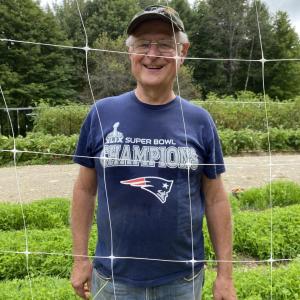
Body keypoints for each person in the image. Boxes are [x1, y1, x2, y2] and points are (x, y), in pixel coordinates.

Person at [71, 5, 237, 300]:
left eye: (164, 45)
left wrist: (225, 275)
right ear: (130, 53)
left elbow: (215, 198)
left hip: (182, 281)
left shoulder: (200, 121)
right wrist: (80, 258)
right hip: (112, 279)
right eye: (143, 44)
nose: (152, 53)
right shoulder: (101, 114)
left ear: (183, 52)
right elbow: (84, 191)